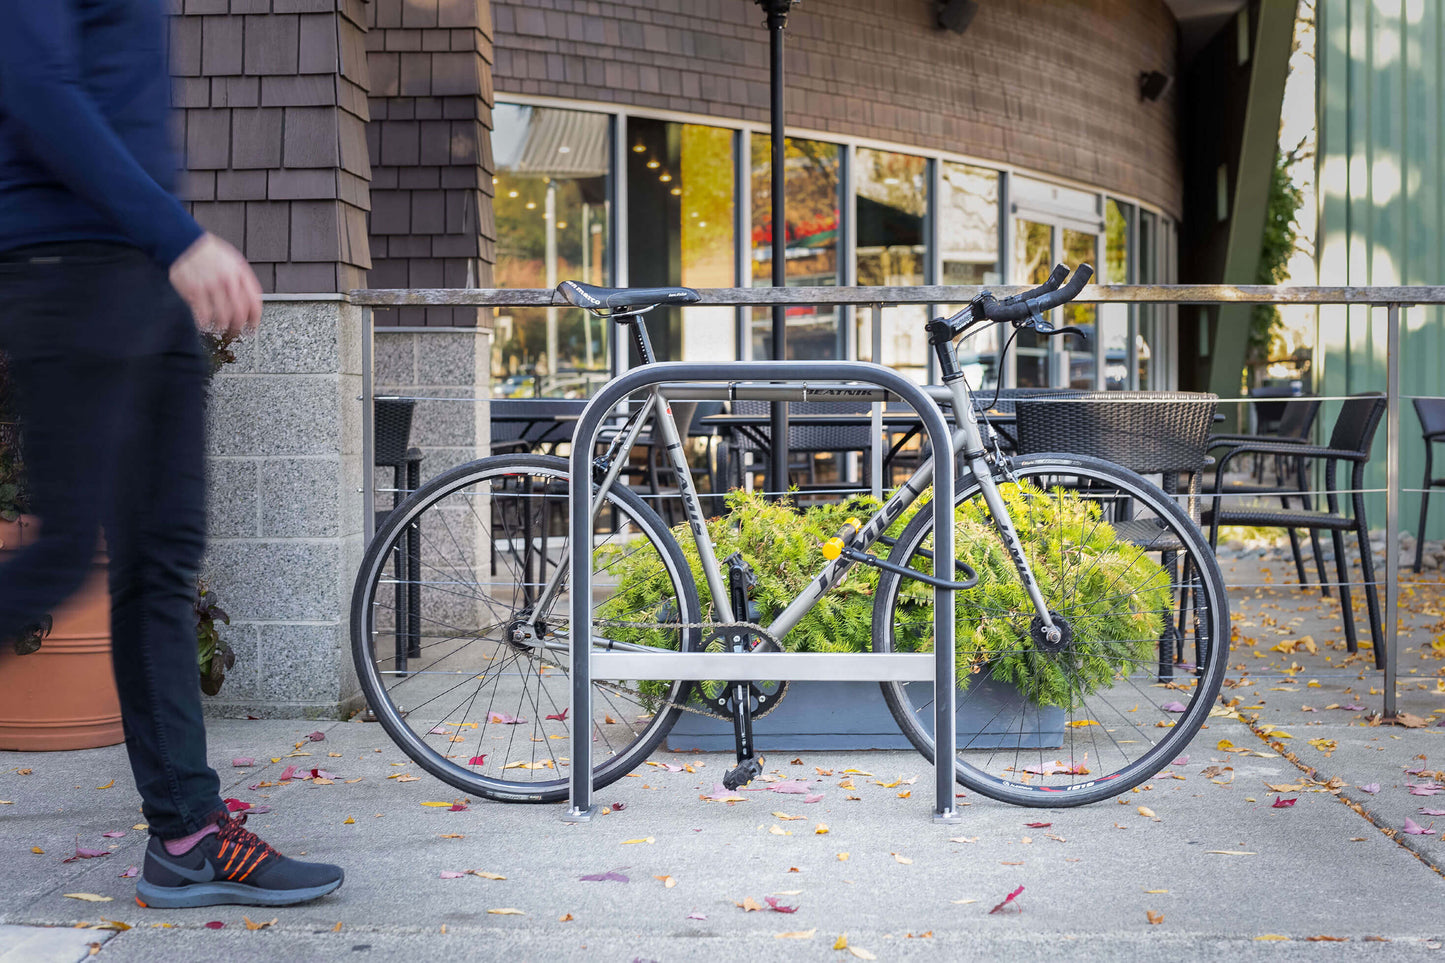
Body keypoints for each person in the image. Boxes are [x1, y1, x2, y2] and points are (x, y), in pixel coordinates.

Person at [0, 1, 344, 908]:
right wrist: (180, 239)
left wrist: (167, 248)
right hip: (70, 269)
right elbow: (37, 88)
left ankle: (188, 837)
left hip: (140, 275)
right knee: (60, 556)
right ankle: (188, 832)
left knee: (159, 564)